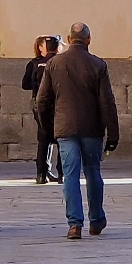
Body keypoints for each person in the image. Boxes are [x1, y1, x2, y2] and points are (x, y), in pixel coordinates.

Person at [35, 21, 119, 240]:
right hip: (92, 128)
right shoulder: (98, 65)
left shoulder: (54, 64)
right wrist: (113, 133)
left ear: (69, 39)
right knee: (93, 172)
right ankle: (97, 219)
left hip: (65, 127)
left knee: (70, 175)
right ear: (89, 40)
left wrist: (47, 128)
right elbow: (107, 102)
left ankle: (74, 224)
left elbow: (42, 100)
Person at [21, 36, 60, 183]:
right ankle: (61, 173)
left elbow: (25, 84)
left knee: (43, 138)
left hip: (39, 103)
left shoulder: (34, 64)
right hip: (57, 103)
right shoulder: (60, 62)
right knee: (61, 138)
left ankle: (41, 174)